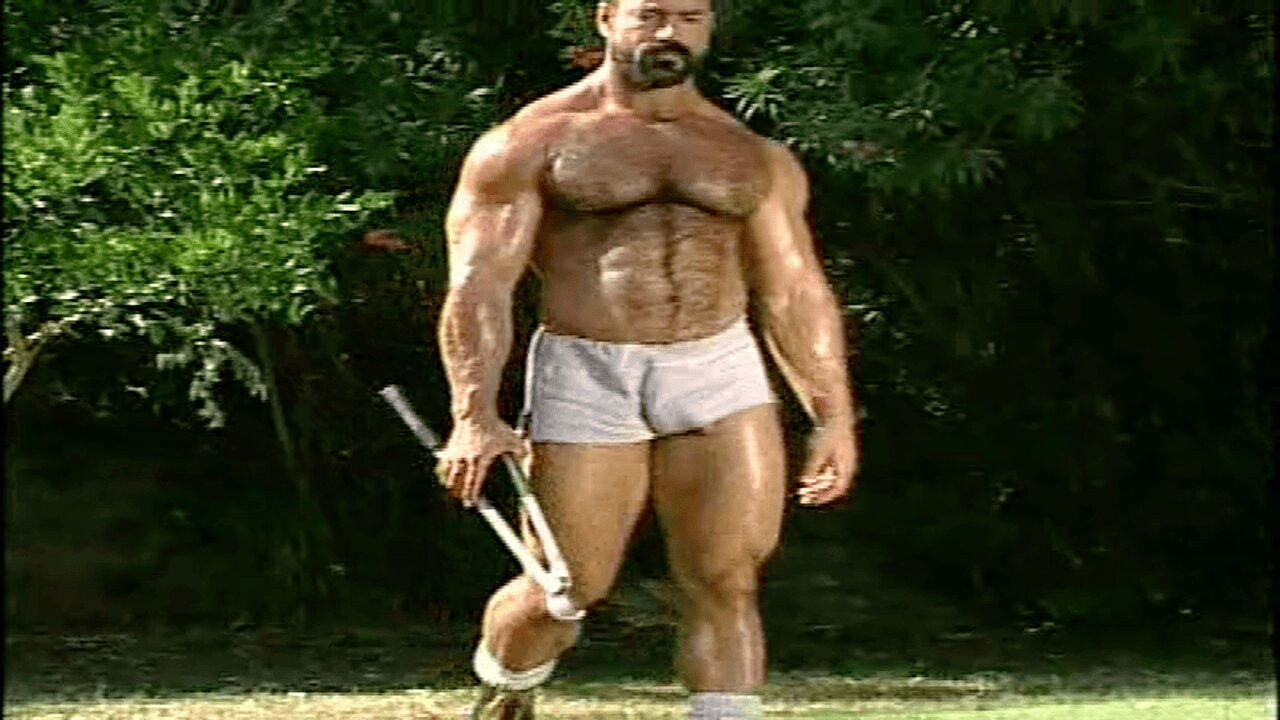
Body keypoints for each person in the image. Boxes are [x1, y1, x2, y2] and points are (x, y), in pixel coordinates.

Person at [435, 0, 860, 717]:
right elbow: (479, 286)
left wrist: (833, 416)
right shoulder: (532, 141)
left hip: (717, 367)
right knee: (566, 588)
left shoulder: (748, 153)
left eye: (690, 17)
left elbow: (793, 291)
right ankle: (506, 689)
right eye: (651, 14)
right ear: (607, 18)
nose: (670, 33)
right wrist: (473, 414)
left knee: (727, 579)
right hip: (588, 369)